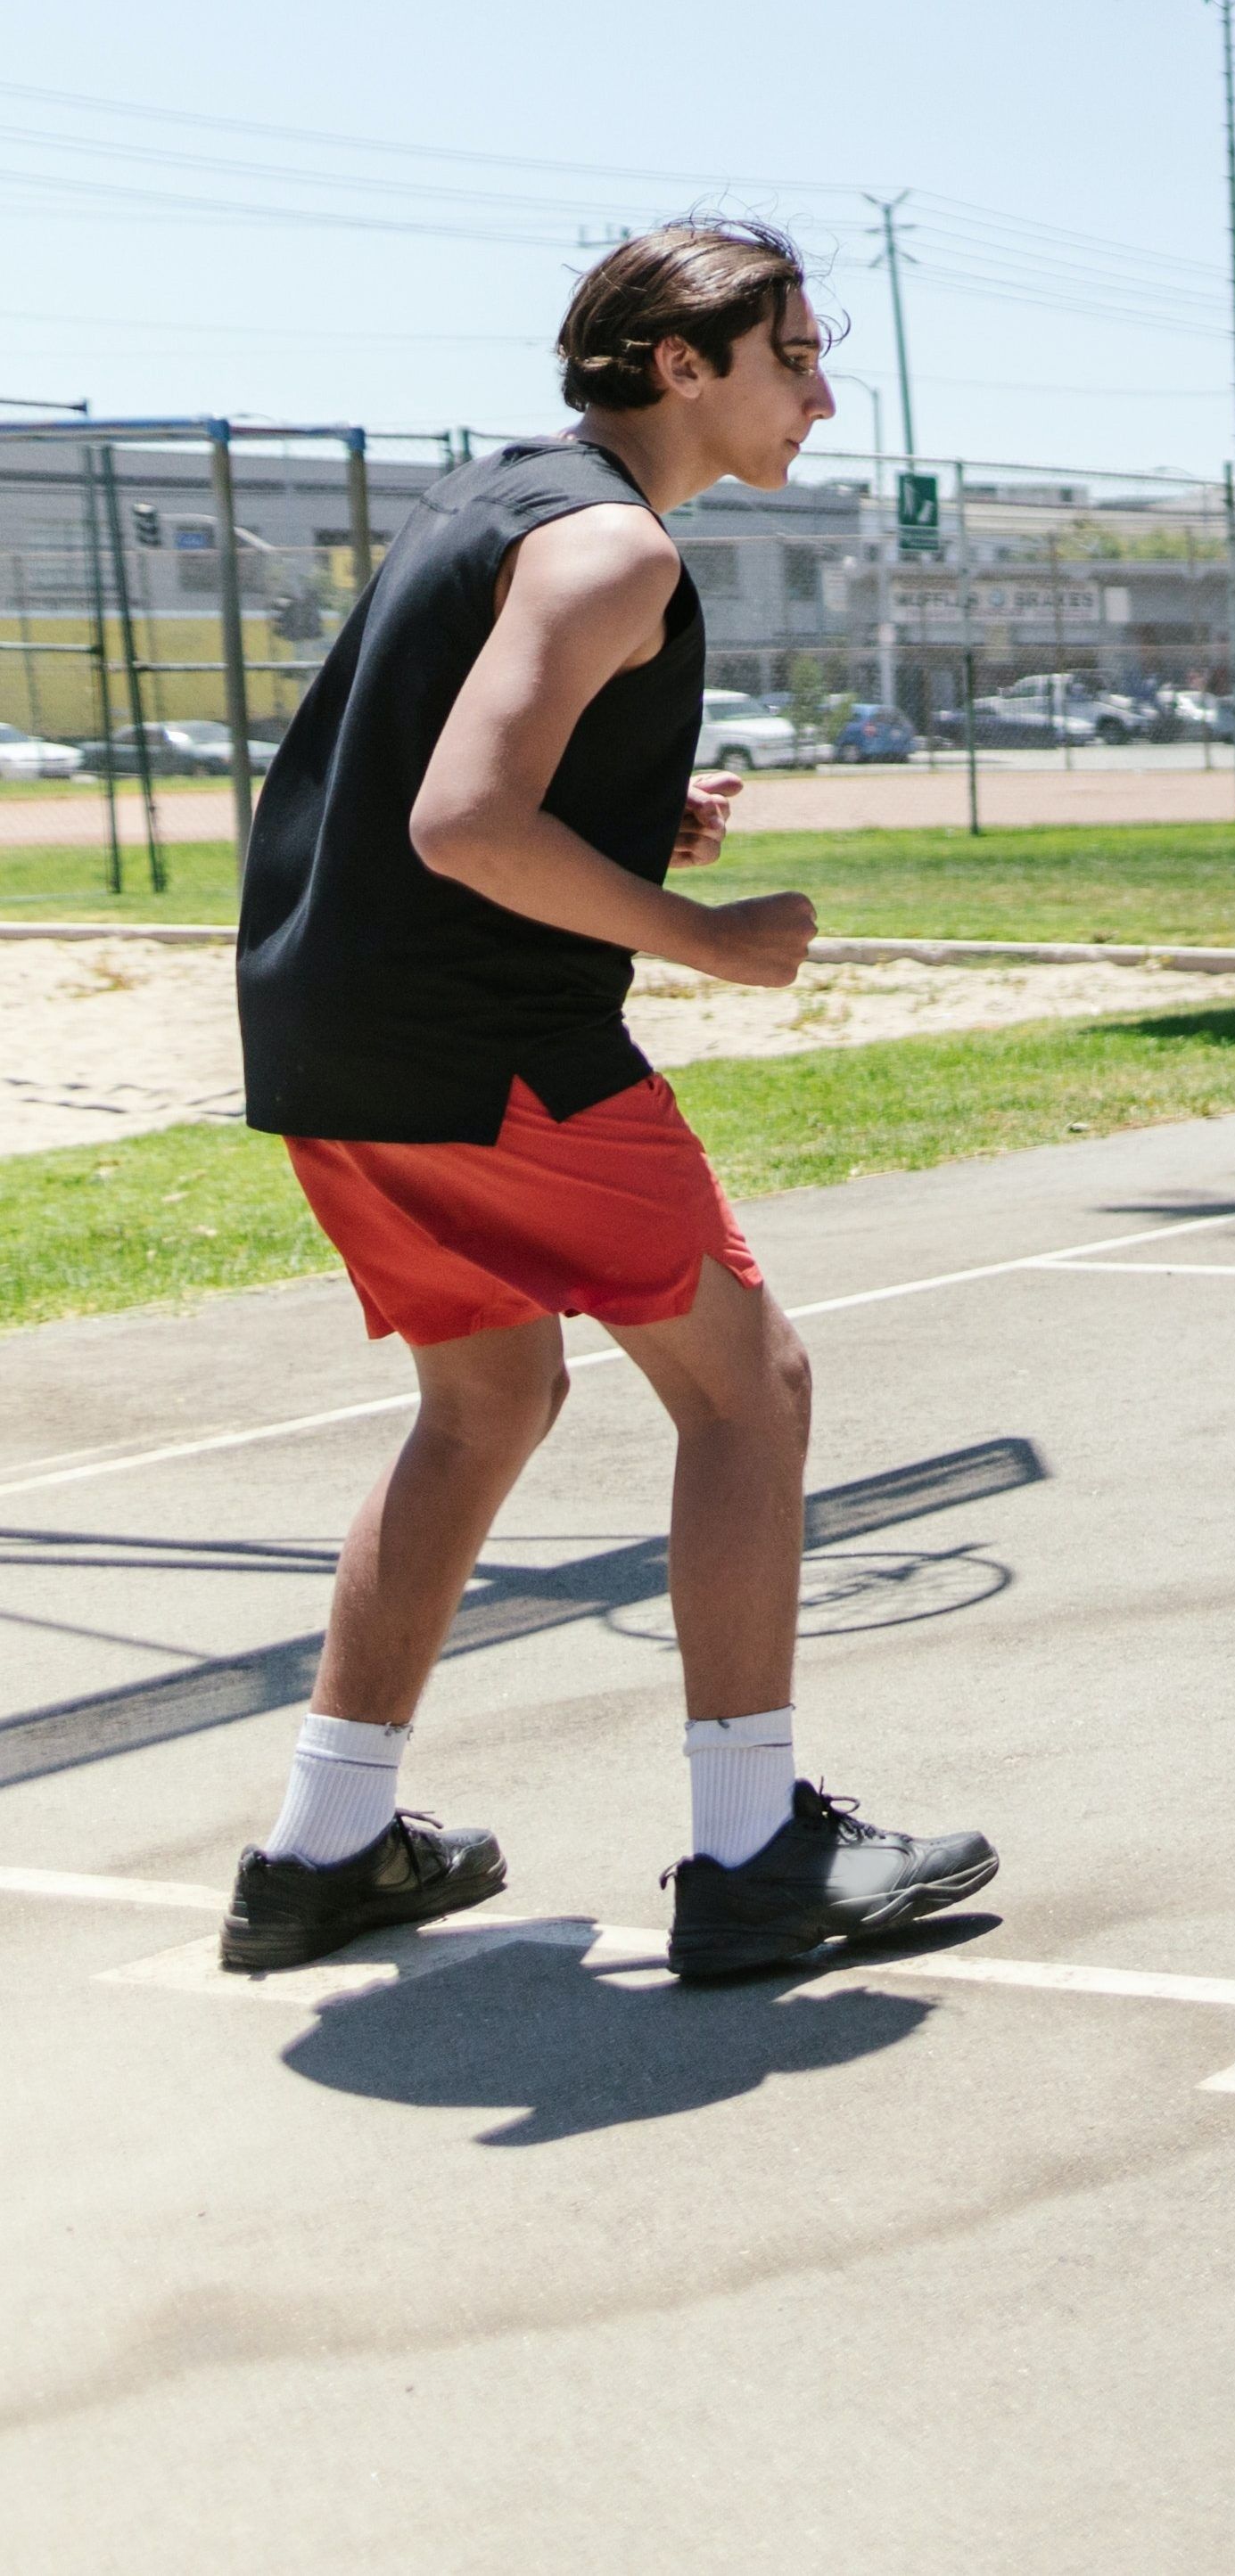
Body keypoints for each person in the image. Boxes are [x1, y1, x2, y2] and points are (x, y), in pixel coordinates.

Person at [220, 220, 996, 1978]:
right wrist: (701, 936)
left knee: (484, 1400)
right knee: (752, 1385)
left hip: (333, 1044)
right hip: (488, 1053)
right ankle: (750, 1851)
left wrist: (641, 822)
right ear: (683, 364)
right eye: (794, 354)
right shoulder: (612, 551)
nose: (820, 390)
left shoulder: (502, 501)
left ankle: (323, 1844)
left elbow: (452, 775)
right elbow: (464, 823)